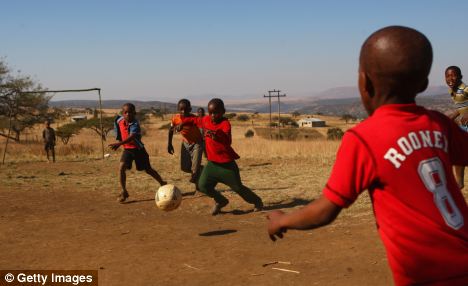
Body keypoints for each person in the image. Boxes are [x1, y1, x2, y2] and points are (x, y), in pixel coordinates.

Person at [267, 26, 468, 285]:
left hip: (427, 275)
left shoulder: (363, 139)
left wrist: (283, 220)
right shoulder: (439, 124)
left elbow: (325, 211)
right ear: (424, 84)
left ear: (364, 81)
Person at [177, 98, 263, 215]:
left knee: (238, 188)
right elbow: (194, 120)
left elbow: (227, 140)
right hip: (212, 165)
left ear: (223, 111)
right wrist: (182, 123)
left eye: (216, 112)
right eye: (210, 112)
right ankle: (221, 201)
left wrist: (216, 136)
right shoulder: (206, 120)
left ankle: (257, 202)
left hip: (227, 166)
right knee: (202, 186)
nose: (213, 115)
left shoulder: (225, 124)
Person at [109, 103, 166, 203]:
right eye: (125, 112)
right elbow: (116, 122)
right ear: (122, 113)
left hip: (138, 150)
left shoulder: (135, 124)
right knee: (121, 167)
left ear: (134, 113)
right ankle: (124, 191)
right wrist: (118, 136)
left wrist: (119, 143)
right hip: (128, 150)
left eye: (130, 112)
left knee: (148, 169)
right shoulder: (119, 120)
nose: (128, 114)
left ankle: (162, 182)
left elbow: (131, 137)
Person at [168, 99, 203, 188]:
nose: (183, 112)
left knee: (194, 170)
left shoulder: (194, 118)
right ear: (178, 109)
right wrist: (169, 144)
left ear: (190, 109)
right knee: (185, 168)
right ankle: (203, 169)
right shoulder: (175, 118)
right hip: (185, 143)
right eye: (181, 109)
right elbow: (170, 130)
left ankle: (198, 187)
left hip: (197, 144)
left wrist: (182, 124)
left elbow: (194, 122)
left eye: (186, 109)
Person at [445, 65, 468, 189]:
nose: (450, 78)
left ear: (460, 77)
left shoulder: (464, 89)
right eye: (447, 76)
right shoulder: (453, 90)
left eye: (453, 75)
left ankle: (458, 183)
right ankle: (458, 183)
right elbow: (463, 106)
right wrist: (453, 116)